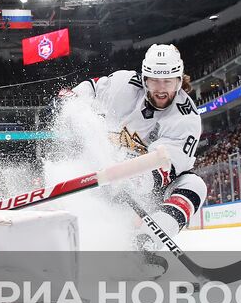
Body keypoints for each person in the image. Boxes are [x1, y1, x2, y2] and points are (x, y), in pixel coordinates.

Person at [63, 44, 206, 242]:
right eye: (155, 81)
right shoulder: (124, 84)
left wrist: (131, 183)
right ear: (144, 78)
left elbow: (161, 169)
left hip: (147, 190)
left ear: (179, 81)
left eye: (168, 82)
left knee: (194, 185)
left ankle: (146, 244)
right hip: (104, 176)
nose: (161, 89)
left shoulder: (185, 119)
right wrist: (71, 99)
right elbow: (91, 89)